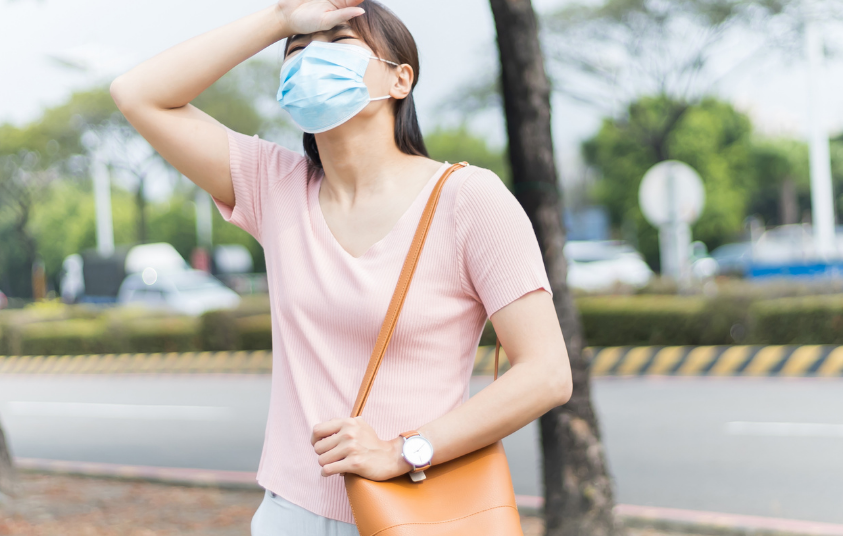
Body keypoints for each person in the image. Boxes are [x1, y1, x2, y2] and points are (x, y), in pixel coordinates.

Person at [110, 1, 572, 534]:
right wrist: (281, 19)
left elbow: (547, 374)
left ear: (400, 80)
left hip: (416, 509)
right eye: (298, 51)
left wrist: (404, 451)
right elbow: (138, 94)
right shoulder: (274, 187)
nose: (311, 59)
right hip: (291, 513)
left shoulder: (469, 200)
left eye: (339, 43)